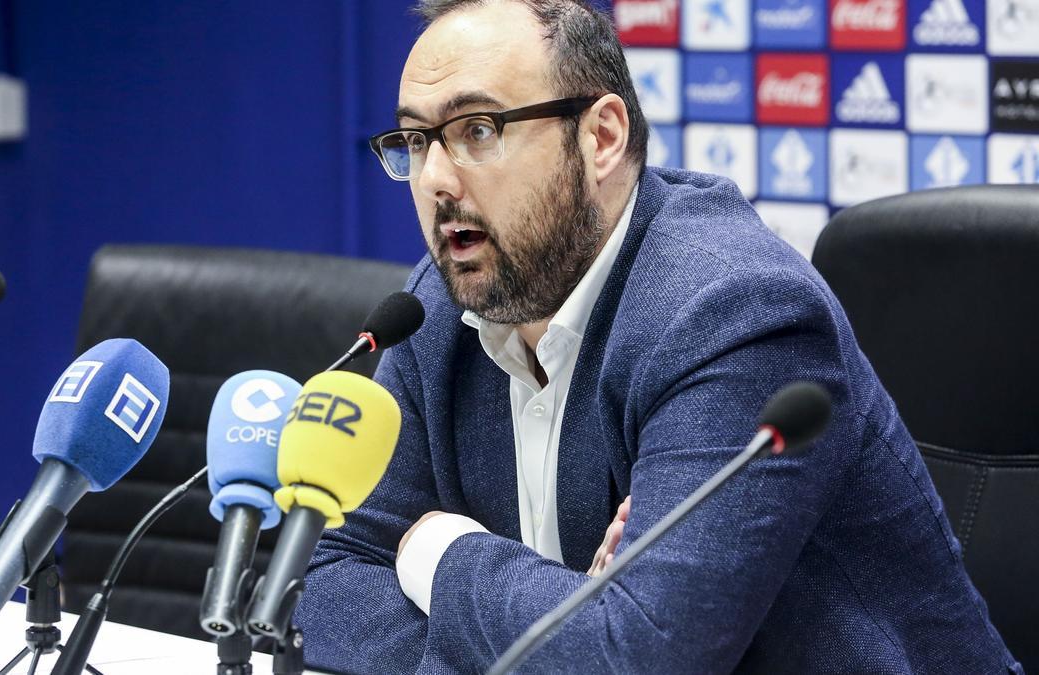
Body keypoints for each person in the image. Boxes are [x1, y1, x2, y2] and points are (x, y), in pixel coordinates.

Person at [295, 1, 1020, 672]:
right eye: (416, 141)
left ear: (601, 135)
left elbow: (644, 657)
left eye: (477, 130)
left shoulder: (732, 311)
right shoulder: (440, 305)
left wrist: (440, 553)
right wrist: (567, 634)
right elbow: (330, 584)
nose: (435, 179)